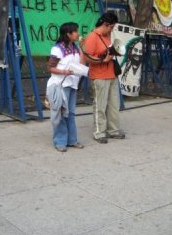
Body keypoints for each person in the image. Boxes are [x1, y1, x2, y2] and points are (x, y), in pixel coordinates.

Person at [83, 12, 125, 143]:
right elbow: (87, 57)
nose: (112, 30)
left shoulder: (107, 36)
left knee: (113, 104)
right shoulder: (92, 37)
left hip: (111, 74)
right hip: (99, 76)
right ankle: (99, 132)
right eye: (111, 27)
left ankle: (113, 130)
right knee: (100, 105)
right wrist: (103, 60)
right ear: (106, 24)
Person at [46, 22, 84, 152]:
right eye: (75, 31)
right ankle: (60, 142)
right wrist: (64, 72)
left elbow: (81, 63)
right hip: (60, 84)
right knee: (60, 113)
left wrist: (82, 49)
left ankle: (72, 140)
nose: (78, 33)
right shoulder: (57, 49)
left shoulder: (76, 47)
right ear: (68, 34)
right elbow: (50, 68)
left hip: (72, 84)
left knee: (71, 113)